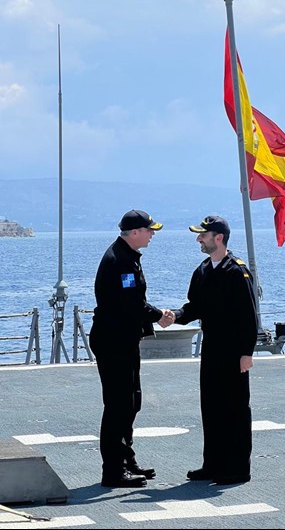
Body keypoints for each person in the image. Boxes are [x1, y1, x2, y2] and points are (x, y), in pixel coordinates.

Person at [89, 209, 175, 488]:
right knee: (118, 405)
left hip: (123, 339)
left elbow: (132, 302)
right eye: (149, 230)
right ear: (135, 232)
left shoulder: (126, 257)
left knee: (131, 402)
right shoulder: (120, 261)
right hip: (113, 341)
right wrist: (159, 314)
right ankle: (113, 471)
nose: (152, 235)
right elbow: (130, 303)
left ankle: (126, 460)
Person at [173, 215, 258, 486]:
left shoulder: (237, 271)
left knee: (235, 408)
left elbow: (249, 315)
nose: (199, 239)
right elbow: (194, 307)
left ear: (218, 237)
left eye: (203, 235)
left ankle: (237, 468)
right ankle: (213, 464)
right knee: (211, 407)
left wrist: (247, 352)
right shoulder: (203, 269)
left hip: (234, 352)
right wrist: (171, 315)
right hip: (211, 349)